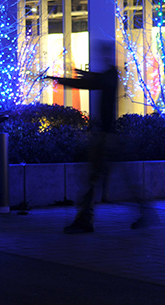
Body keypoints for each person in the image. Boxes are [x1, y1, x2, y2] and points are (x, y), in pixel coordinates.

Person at [46, 40, 155, 234]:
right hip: (108, 136)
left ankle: (85, 219)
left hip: (105, 138)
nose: (101, 56)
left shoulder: (111, 74)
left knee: (93, 178)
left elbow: (92, 83)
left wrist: (62, 80)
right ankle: (144, 213)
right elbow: (94, 79)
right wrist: (81, 74)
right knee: (112, 178)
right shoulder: (111, 74)